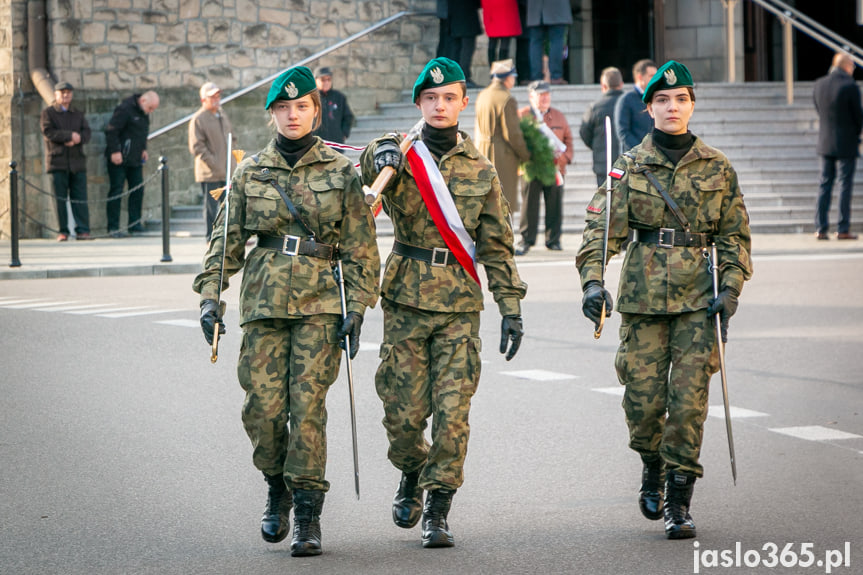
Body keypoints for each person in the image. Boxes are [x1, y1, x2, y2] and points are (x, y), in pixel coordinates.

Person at [192, 66, 380, 557]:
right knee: (264, 410)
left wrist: (357, 306)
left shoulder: (340, 172)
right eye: (284, 108)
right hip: (263, 305)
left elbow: (362, 250)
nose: (293, 115)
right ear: (272, 114)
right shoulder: (251, 170)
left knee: (308, 410)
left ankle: (307, 513)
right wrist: (211, 295)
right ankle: (275, 483)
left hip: (321, 304)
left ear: (316, 112)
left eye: (302, 107)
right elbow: (226, 241)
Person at [575, 61, 753, 540]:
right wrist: (593, 282)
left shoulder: (717, 167)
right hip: (643, 302)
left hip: (699, 301)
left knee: (690, 404)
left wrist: (730, 289)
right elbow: (600, 230)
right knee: (643, 404)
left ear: (692, 105)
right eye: (662, 101)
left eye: (680, 100)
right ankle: (651, 461)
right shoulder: (629, 166)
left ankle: (679, 498)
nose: (672, 108)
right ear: (648, 107)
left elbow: (735, 237)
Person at [360, 57, 526, 549]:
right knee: (403, 415)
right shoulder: (401, 159)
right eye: (430, 98)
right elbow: (365, 169)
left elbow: (496, 244)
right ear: (419, 104)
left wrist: (510, 306)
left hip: (458, 304)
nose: (439, 105)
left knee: (452, 414)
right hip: (406, 301)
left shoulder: (480, 170)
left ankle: (437, 506)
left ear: (462, 103)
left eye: (448, 97)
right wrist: (381, 150)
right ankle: (412, 470)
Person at [515, 80, 573, 254]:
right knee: (529, 205)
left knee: (554, 204)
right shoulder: (522, 115)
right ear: (531, 97)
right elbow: (514, 141)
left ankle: (553, 240)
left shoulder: (558, 116)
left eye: (547, 95)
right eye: (541, 95)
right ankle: (526, 239)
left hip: (554, 168)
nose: (544, 98)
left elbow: (568, 140)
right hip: (531, 169)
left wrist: (563, 158)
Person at [813, 51, 862, 240]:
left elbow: (819, 109)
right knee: (844, 185)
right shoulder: (850, 86)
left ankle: (821, 228)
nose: (853, 69)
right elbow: (858, 116)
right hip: (846, 142)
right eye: (852, 65)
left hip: (825, 142)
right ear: (846, 66)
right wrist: (857, 131)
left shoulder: (819, 84)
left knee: (824, 184)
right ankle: (842, 229)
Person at [474, 58, 531, 211]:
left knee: (487, 204)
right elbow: (512, 134)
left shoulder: (483, 95)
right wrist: (526, 155)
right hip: (502, 157)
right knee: (504, 205)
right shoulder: (506, 98)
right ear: (508, 78)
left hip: (482, 152)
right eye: (513, 77)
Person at [39, 81, 92, 241]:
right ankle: (62, 231)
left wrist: (78, 139)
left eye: (68, 92)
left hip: (77, 162)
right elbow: (48, 131)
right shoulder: (48, 113)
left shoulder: (77, 113)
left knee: (80, 198)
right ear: (56, 95)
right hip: (58, 162)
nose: (66, 95)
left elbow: (86, 132)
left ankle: (83, 230)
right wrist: (68, 136)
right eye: (62, 92)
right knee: (59, 200)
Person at [104, 90, 160, 237]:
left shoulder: (144, 113)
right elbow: (112, 131)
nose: (151, 111)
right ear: (143, 101)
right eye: (150, 108)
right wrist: (115, 151)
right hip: (119, 157)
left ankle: (134, 224)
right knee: (116, 191)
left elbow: (142, 133)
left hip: (135, 158)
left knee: (137, 190)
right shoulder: (125, 109)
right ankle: (113, 227)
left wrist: (144, 149)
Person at [188, 81, 235, 242]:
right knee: (210, 208)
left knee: (229, 205)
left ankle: (228, 236)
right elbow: (197, 147)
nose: (216, 99)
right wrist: (214, 162)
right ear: (203, 100)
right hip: (210, 172)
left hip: (227, 169)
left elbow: (231, 137)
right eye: (212, 96)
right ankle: (210, 237)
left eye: (218, 95)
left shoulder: (222, 114)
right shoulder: (198, 119)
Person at [579, 66, 624, 186]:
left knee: (605, 201)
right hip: (628, 163)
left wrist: (597, 146)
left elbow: (584, 133)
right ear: (621, 84)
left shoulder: (595, 108)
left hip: (603, 164)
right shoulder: (632, 105)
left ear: (603, 86)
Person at [615, 59, 657, 154]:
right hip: (634, 160)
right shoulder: (626, 100)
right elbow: (623, 132)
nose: (656, 79)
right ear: (640, 77)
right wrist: (642, 150)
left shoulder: (657, 99)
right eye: (651, 76)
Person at [436, 0, 481, 88]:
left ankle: (453, 77)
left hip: (453, 15)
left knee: (455, 48)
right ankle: (463, 77)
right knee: (466, 48)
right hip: (466, 15)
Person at [525, 0, 572, 84]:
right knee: (557, 41)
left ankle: (536, 77)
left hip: (535, 8)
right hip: (557, 7)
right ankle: (556, 76)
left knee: (535, 43)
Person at [312, 66, 355, 145]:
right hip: (315, 144)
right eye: (323, 80)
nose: (326, 82)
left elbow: (348, 117)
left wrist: (344, 133)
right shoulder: (311, 98)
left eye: (328, 79)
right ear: (315, 80)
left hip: (335, 143)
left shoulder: (339, 97)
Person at [481, 0, 522, 66]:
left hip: (491, 8)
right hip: (506, 9)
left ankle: (493, 70)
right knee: (504, 44)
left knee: (492, 43)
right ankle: (501, 72)